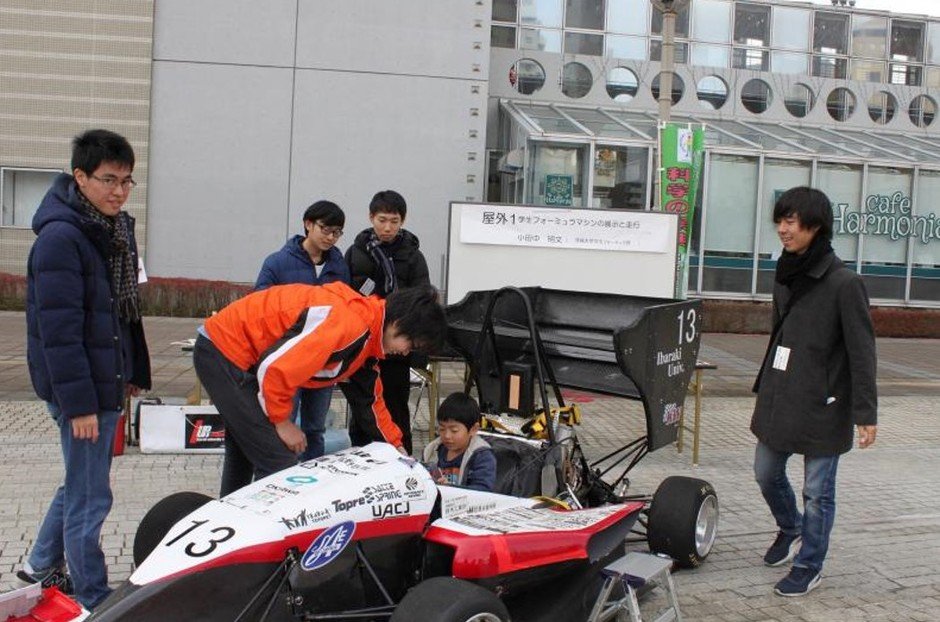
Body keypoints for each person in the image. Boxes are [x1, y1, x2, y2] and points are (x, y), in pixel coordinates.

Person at [22, 129, 151, 610]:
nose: (119, 191)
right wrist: (79, 406)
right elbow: (59, 334)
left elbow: (119, 316)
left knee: (81, 482)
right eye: (108, 180)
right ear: (80, 177)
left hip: (104, 381)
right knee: (91, 495)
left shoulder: (109, 231)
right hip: (83, 393)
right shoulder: (63, 238)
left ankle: (40, 564)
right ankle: (93, 594)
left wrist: (131, 370)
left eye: (126, 180)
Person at [193, 282, 446, 496]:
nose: (405, 352)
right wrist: (282, 422)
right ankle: (264, 534)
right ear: (398, 323)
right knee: (278, 461)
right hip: (225, 351)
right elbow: (276, 369)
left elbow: (370, 401)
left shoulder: (367, 338)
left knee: (248, 450)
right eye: (410, 344)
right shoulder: (349, 326)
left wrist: (397, 448)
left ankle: (230, 522)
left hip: (233, 354)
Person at [751, 186, 877, 598]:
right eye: (780, 221)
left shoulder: (845, 283)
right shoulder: (786, 271)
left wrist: (866, 413)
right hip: (781, 395)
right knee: (766, 471)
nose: (782, 229)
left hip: (825, 404)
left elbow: (862, 352)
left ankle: (809, 565)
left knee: (818, 493)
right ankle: (791, 529)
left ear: (815, 226)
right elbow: (780, 333)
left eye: (790, 221)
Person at [255, 200, 350, 461]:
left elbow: (346, 309)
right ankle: (282, 472)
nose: (330, 237)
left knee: (315, 428)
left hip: (323, 361)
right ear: (308, 224)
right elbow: (259, 304)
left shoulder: (339, 266)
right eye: (325, 229)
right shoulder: (278, 262)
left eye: (337, 232)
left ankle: (313, 475)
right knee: (284, 423)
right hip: (288, 359)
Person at [345, 190, 430, 454]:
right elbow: (345, 297)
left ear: (402, 221)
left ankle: (400, 459)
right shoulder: (356, 253)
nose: (387, 228)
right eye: (382, 220)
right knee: (362, 408)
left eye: (394, 221)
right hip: (363, 345)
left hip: (396, 349)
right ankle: (360, 459)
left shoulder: (413, 257)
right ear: (371, 217)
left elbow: (422, 304)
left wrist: (416, 349)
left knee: (395, 407)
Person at [421, 393, 496, 492]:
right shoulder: (432, 450)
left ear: (473, 429)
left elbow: (483, 491)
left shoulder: (482, 456)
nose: (447, 436)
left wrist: (451, 490)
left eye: (454, 430)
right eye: (442, 429)